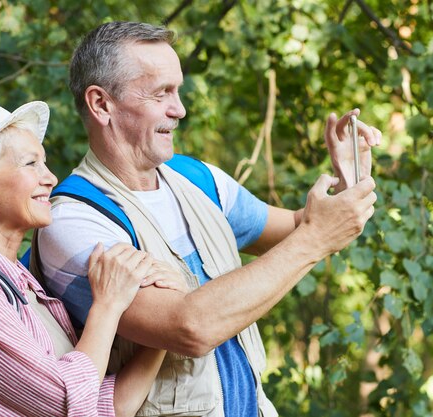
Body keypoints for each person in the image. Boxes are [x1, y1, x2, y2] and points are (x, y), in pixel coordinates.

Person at [35, 22, 381, 417]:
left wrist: (348, 184)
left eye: (178, 91)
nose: (179, 109)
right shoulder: (73, 221)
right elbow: (188, 328)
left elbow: (298, 230)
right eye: (160, 92)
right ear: (101, 104)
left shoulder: (198, 179)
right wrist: (316, 238)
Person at [0, 94, 188, 417]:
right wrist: (108, 305)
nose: (51, 178)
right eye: (30, 164)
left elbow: (101, 407)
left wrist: (163, 332)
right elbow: (60, 404)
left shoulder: (19, 282)